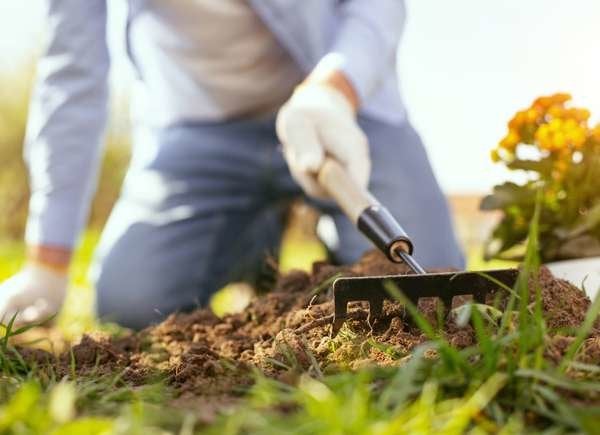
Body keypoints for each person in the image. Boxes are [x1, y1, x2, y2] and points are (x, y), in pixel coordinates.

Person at [0, 0, 464, 329]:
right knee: (131, 303)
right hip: (202, 129)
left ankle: (331, 236)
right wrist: (48, 263)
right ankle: (255, 232)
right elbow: (72, 74)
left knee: (433, 284)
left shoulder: (335, 98)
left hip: (338, 111)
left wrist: (333, 90)